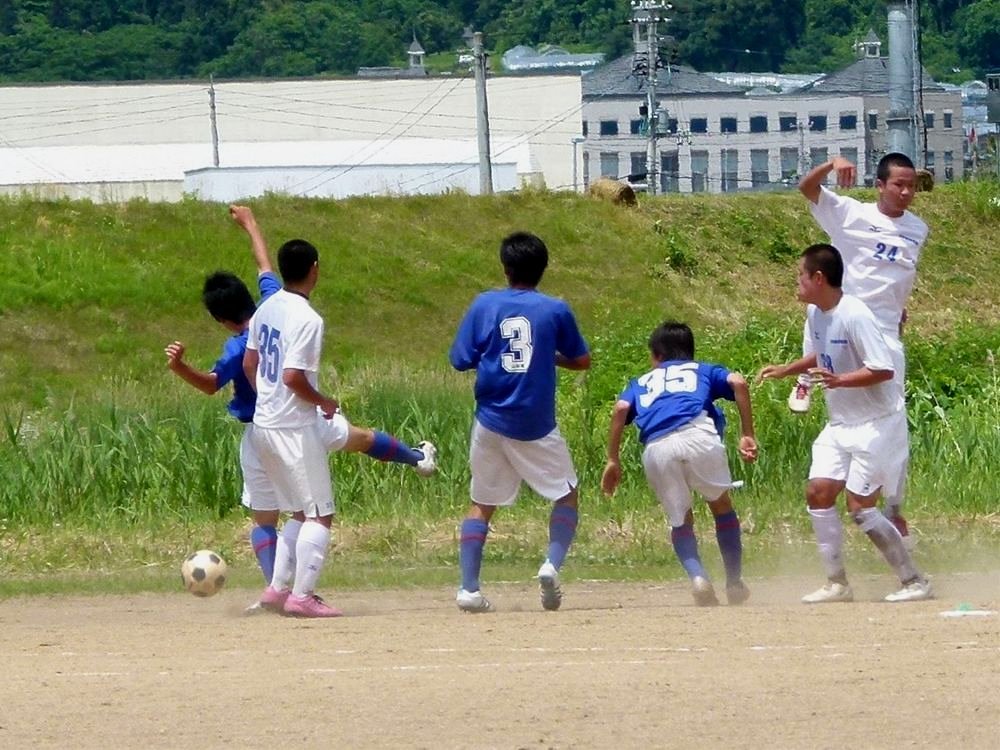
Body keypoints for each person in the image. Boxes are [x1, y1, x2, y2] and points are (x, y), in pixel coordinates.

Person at [168, 206, 436, 617]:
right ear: (314, 269)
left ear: (221, 319)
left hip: (262, 426)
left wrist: (258, 392)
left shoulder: (265, 312)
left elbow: (242, 368)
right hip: (296, 423)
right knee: (322, 506)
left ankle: (276, 589)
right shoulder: (290, 310)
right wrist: (322, 400)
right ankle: (301, 595)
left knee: (282, 515)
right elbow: (291, 374)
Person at [759, 243, 932, 604]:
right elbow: (821, 354)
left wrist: (839, 380)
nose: (797, 281)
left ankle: (914, 580)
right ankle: (837, 583)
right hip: (840, 423)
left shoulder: (856, 314)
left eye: (800, 275)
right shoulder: (815, 313)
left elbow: (882, 368)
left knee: (860, 508)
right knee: (818, 492)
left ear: (819, 278)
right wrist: (788, 370)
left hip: (876, 424)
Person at [790, 152, 929, 545]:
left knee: (892, 419)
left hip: (883, 332)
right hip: (845, 320)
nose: (906, 192)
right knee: (821, 325)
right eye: (898, 185)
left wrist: (898, 309)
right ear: (880, 186)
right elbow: (807, 188)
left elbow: (897, 277)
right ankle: (805, 380)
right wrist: (832, 163)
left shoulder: (917, 229)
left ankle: (894, 507)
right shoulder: (851, 213)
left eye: (911, 186)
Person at [449, 231, 590, 613]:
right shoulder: (555, 309)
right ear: (543, 268)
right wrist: (547, 355)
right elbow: (582, 360)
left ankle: (469, 589)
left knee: (481, 503)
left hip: (491, 419)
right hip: (536, 424)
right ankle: (550, 566)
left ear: (505, 267)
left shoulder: (484, 303)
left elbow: (460, 359)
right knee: (566, 494)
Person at [600, 322, 758, 606]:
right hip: (699, 436)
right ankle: (734, 581)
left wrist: (613, 458)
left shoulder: (641, 381)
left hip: (657, 447)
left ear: (657, 355)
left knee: (681, 520)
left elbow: (621, 409)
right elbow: (739, 382)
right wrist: (747, 433)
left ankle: (698, 577)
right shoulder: (702, 369)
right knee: (721, 506)